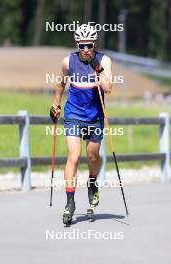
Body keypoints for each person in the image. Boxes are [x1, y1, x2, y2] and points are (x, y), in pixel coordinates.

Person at [50, 24, 113, 225]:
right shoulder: (67, 61)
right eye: (82, 45)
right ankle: (70, 203)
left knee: (92, 156)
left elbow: (108, 88)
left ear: (95, 44)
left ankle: (92, 183)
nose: (85, 49)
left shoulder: (103, 60)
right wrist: (56, 103)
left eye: (89, 45)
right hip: (73, 114)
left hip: (95, 116)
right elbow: (61, 83)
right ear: (77, 44)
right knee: (74, 156)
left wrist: (98, 67)